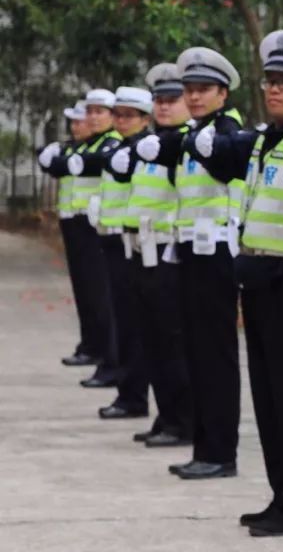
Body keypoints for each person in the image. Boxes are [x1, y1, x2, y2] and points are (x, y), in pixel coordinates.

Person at [192, 30, 283, 536]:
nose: (274, 90)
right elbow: (216, 151)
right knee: (270, 400)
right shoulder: (261, 140)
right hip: (258, 280)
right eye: (270, 81)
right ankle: (282, 495)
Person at [137, 46, 245, 480]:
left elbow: (227, 158)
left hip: (218, 256)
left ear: (223, 94)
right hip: (189, 254)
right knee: (197, 355)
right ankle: (205, 446)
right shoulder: (191, 135)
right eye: (190, 90)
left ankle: (220, 451)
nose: (195, 97)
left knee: (216, 357)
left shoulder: (227, 132)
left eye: (204, 90)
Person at [116, 64, 194, 448]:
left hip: (168, 252)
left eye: (171, 100)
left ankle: (182, 420)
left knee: (172, 341)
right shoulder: (150, 143)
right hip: (141, 250)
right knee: (153, 341)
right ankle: (166, 416)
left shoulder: (187, 143)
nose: (164, 107)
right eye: (159, 101)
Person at [91, 86, 155, 420]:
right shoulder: (122, 147)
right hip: (116, 241)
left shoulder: (148, 149)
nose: (121, 120)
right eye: (118, 115)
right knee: (125, 322)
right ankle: (128, 393)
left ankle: (134, 396)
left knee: (134, 325)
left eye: (129, 116)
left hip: (136, 244)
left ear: (145, 119)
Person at [63, 89, 123, 389]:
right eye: (91, 111)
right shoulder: (92, 144)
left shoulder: (113, 144)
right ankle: (100, 354)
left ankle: (109, 360)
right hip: (92, 227)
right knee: (93, 296)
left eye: (100, 111)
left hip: (110, 232)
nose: (92, 117)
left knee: (105, 300)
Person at [38, 101, 97, 367]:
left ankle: (100, 348)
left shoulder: (100, 148)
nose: (76, 126)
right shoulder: (76, 148)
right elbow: (55, 167)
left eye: (81, 121)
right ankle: (89, 344)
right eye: (72, 122)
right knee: (84, 290)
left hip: (92, 226)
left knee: (97, 293)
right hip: (72, 223)